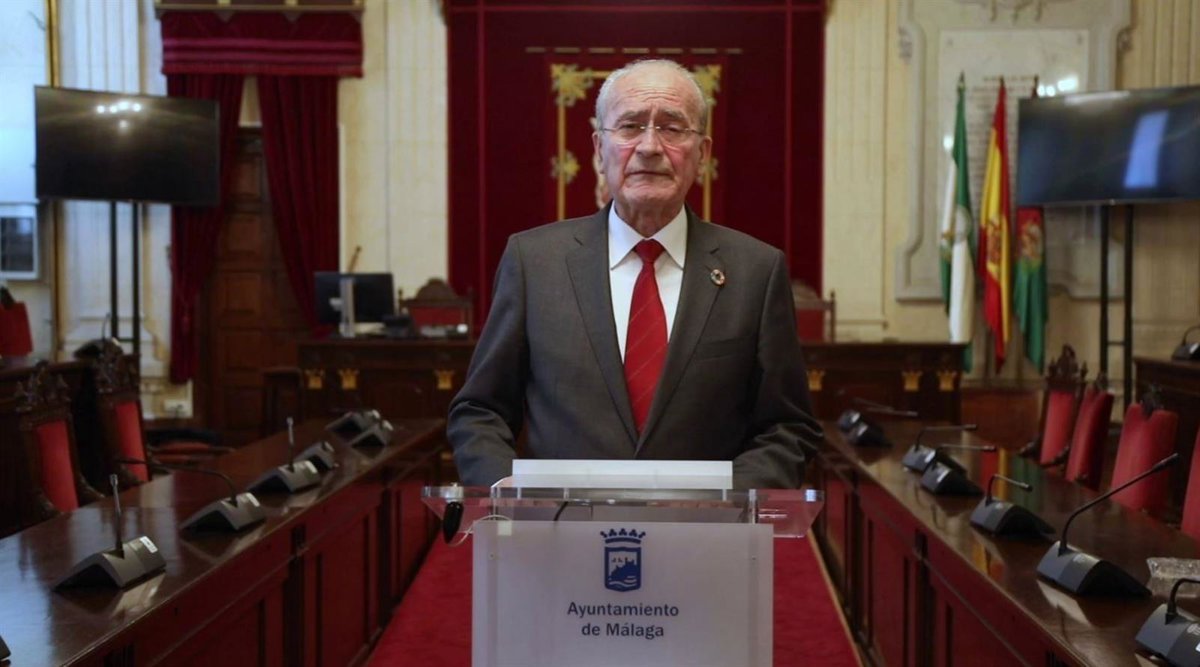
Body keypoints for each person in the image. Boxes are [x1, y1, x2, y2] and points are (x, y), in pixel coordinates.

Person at [448, 59, 821, 489]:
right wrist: (506, 493)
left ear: (702, 153)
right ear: (598, 149)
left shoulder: (756, 271)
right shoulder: (534, 263)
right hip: (559, 525)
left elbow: (788, 428)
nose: (649, 146)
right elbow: (480, 411)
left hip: (706, 528)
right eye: (629, 127)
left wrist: (728, 502)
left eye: (672, 128)